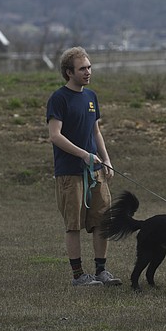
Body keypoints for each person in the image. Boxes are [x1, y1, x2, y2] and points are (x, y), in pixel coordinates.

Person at [46, 46, 121, 287]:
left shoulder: (91, 97)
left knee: (102, 220)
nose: (88, 72)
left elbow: (95, 130)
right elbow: (55, 136)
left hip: (95, 171)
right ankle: (78, 275)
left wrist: (105, 159)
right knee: (74, 224)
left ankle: (101, 271)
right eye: (82, 69)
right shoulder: (58, 98)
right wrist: (85, 155)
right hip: (70, 172)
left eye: (89, 67)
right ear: (69, 72)